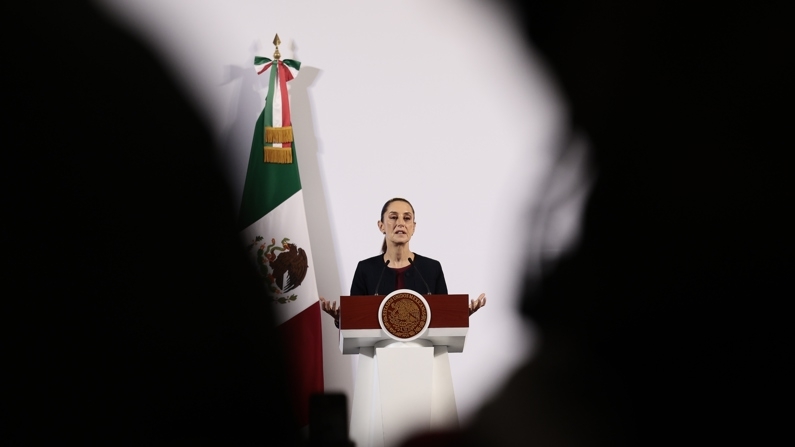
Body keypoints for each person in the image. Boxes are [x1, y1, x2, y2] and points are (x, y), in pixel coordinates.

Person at [320, 198, 486, 326]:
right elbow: (356, 319)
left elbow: (443, 317)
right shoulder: (366, 269)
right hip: (379, 358)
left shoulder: (431, 268)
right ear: (381, 226)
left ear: (413, 227)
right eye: (393, 217)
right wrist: (341, 319)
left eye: (407, 218)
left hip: (424, 358)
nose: (400, 223)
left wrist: (461, 315)